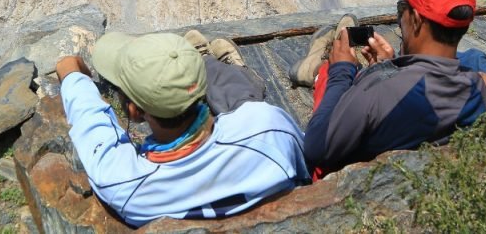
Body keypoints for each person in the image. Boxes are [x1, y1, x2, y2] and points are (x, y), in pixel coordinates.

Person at [55, 31, 309, 227]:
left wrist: (74, 75)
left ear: (134, 111)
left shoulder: (124, 184)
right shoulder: (267, 127)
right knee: (241, 95)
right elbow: (307, 165)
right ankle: (213, 63)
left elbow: (90, 118)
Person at [296, 0, 486, 176]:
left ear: (416, 19)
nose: (400, 18)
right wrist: (387, 67)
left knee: (333, 73)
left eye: (402, 9)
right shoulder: (476, 87)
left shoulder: (382, 91)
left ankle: (318, 68)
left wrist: (342, 72)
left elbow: (315, 148)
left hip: (351, 182)